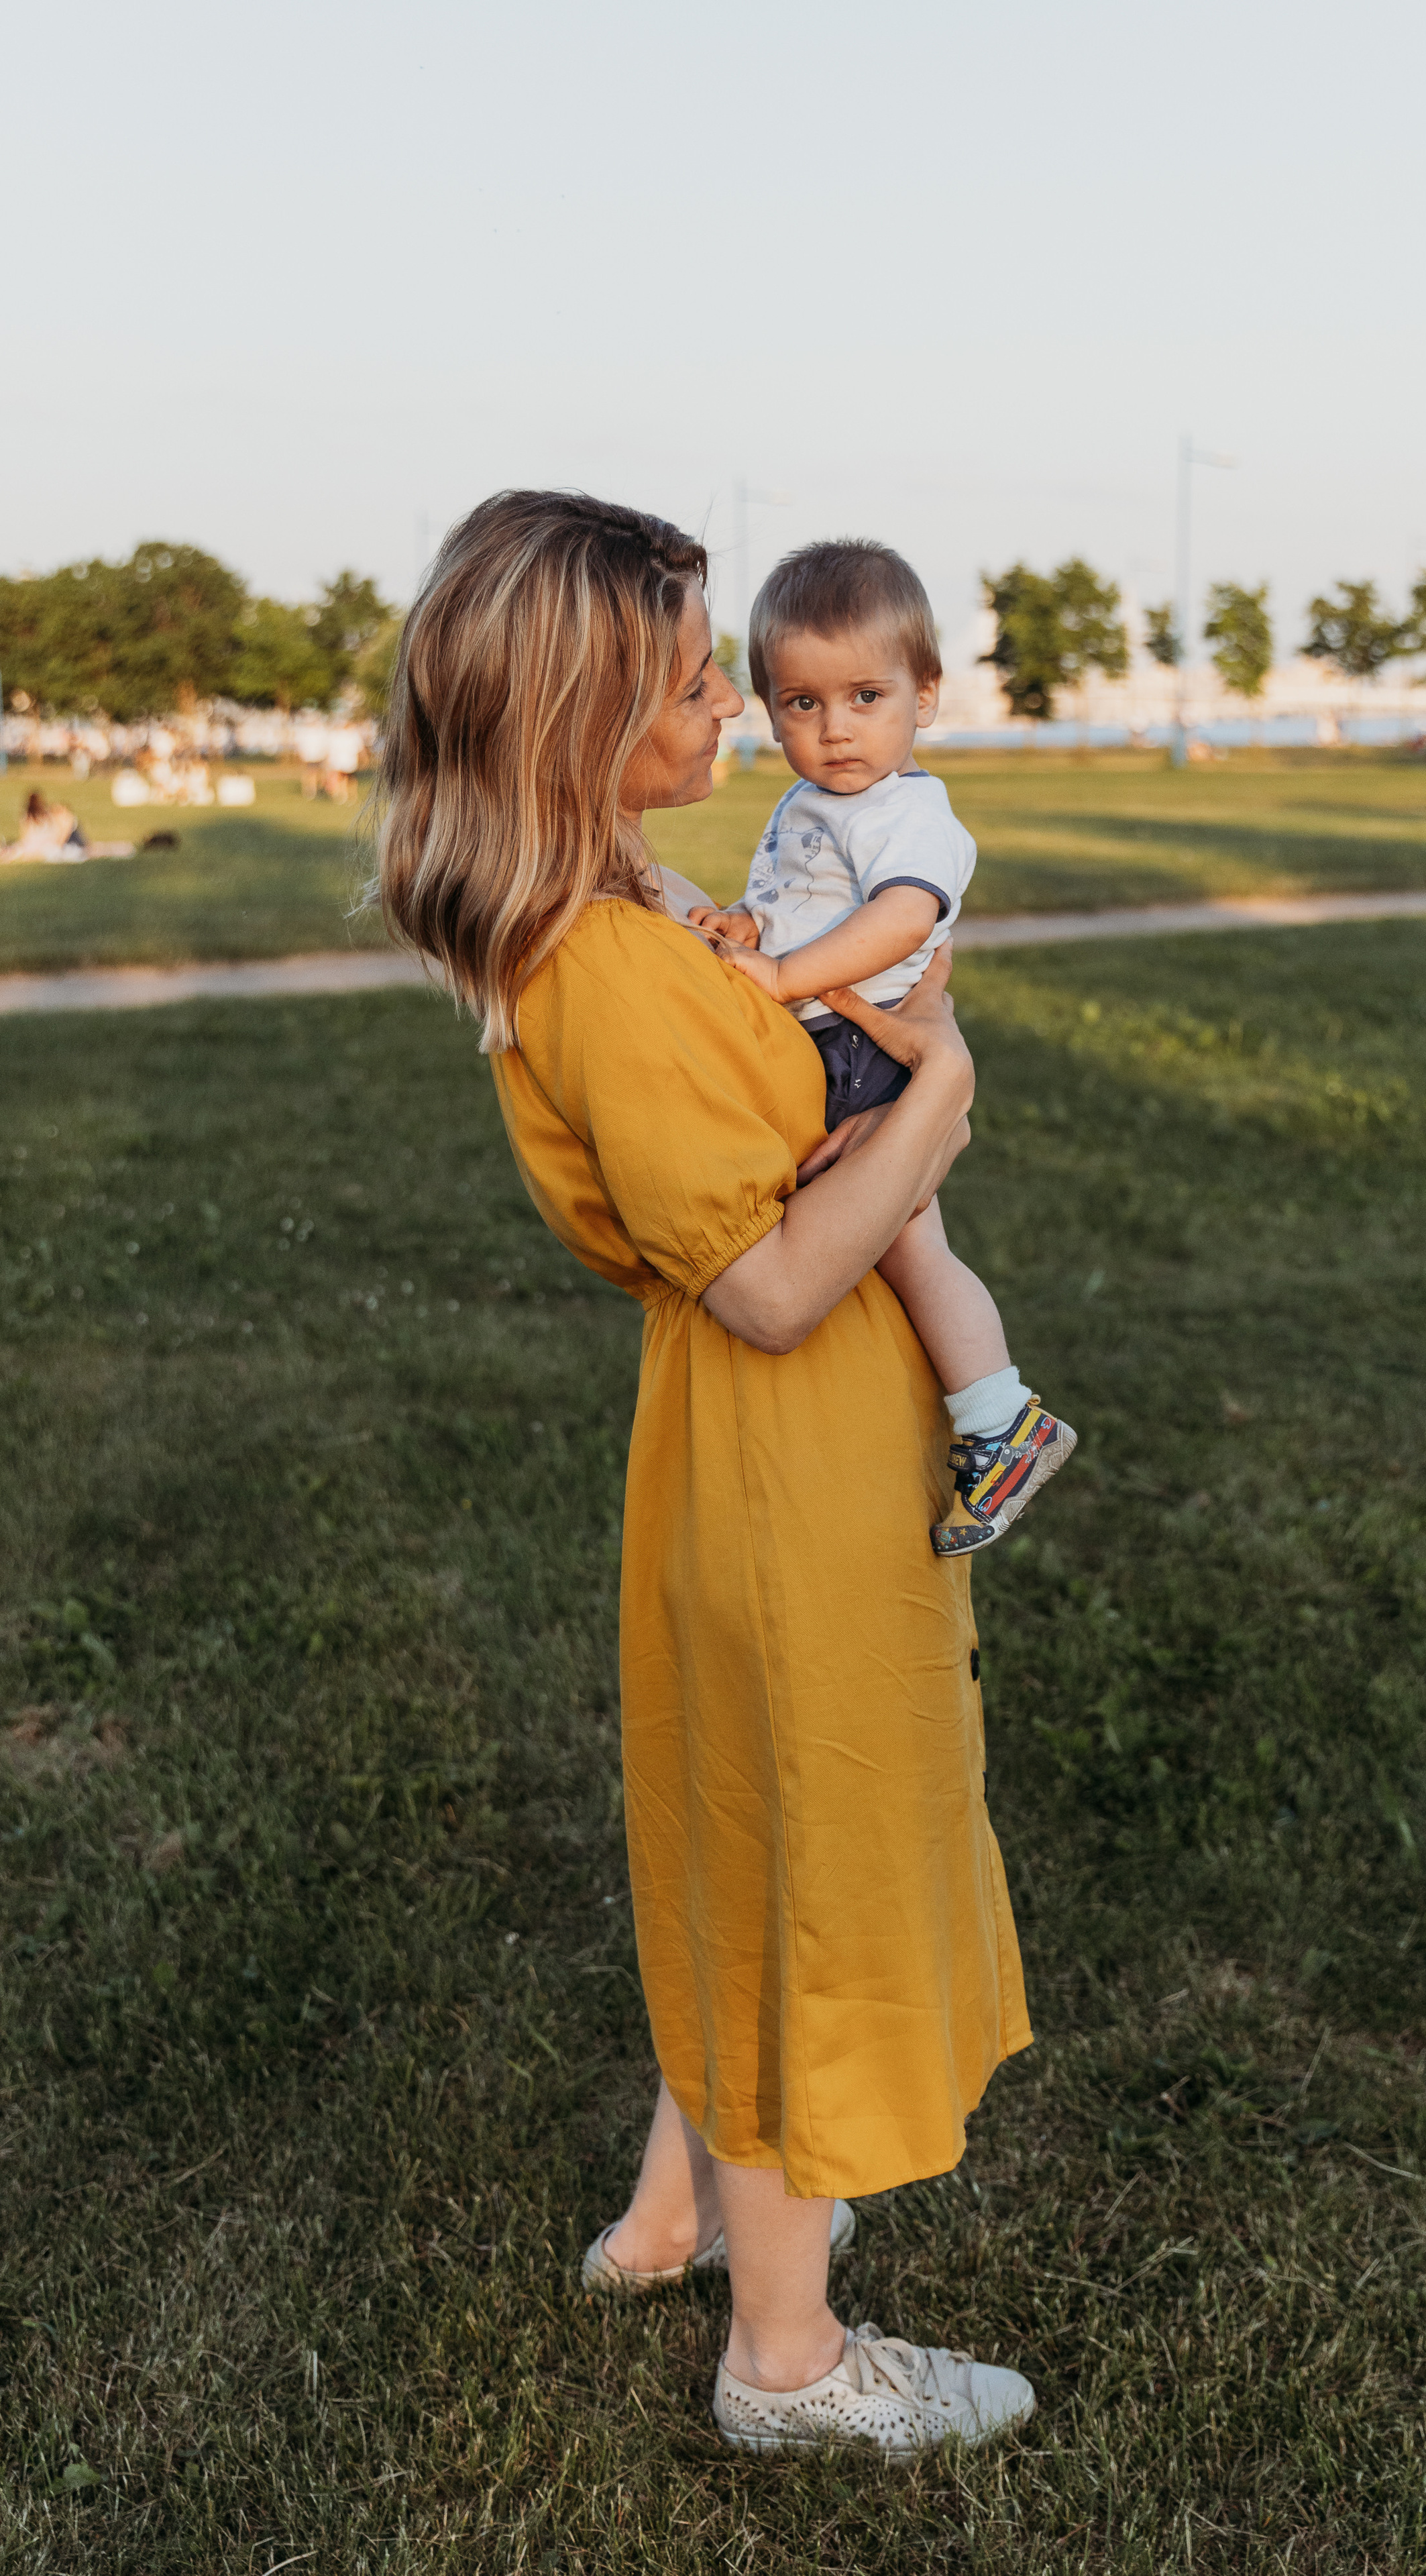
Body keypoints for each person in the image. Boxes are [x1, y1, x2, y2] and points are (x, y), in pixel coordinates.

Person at [372, 490, 1036, 2456]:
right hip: (773, 1449)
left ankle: (674, 2217)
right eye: (687, 683)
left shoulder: (650, 907)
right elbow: (767, 1285)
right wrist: (943, 1093)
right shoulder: (598, 959)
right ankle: (787, 2361)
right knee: (798, 1868)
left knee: (750, 1838)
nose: (731, 711)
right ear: (581, 719)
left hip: (811, 1440)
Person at [688, 541, 1076, 1558]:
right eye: (802, 703)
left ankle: (1003, 1418)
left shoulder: (908, 812)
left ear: (926, 695)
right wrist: (747, 926)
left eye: (866, 696)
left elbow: (904, 918)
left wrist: (785, 976)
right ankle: (961, 1415)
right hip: (830, 1032)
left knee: (905, 1241)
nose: (836, 728)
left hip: (863, 1045)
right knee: (875, 1236)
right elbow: (796, 899)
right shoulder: (813, 803)